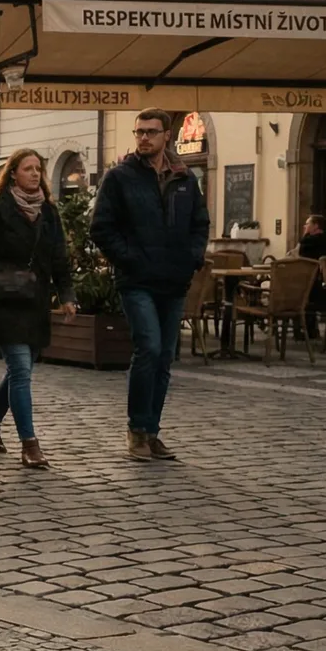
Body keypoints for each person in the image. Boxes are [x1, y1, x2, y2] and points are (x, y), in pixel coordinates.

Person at [90, 108, 209, 462]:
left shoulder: (185, 177)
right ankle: (137, 430)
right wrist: (130, 258)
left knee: (164, 358)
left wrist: (191, 258)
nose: (143, 138)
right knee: (150, 348)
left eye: (151, 132)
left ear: (166, 135)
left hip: (173, 280)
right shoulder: (119, 177)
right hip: (137, 280)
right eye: (139, 132)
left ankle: (152, 432)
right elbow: (101, 228)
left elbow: (200, 223)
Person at [0, 149, 77, 470]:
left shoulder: (48, 212)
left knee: (20, 370)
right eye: (28, 168)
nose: (34, 174)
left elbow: (59, 258)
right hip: (3, 300)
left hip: (35, 300)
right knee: (21, 369)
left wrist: (67, 295)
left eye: (38, 169)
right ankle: (29, 443)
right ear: (13, 173)